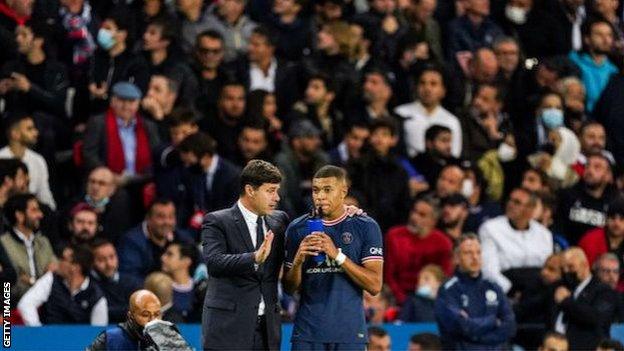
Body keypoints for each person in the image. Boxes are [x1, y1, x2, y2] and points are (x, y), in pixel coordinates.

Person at [283, 165, 383, 351]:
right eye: (315, 190)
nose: (320, 196)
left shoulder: (365, 226)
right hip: (307, 333)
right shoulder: (297, 229)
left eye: (327, 190)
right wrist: (298, 261)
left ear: (343, 192)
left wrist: (337, 255)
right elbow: (289, 289)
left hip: (349, 334)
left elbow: (374, 285)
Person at [201, 160, 289, 351]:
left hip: (268, 332)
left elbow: (306, 225)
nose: (277, 197)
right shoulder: (217, 221)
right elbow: (214, 263)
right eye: (270, 190)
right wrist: (254, 258)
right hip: (228, 330)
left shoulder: (279, 220)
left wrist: (347, 212)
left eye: (277, 190)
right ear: (250, 190)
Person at [434, 234, 516, 350]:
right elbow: (462, 327)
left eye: (478, 252)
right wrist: (493, 321)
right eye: (468, 253)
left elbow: (510, 327)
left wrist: (476, 331)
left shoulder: (494, 287)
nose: (475, 257)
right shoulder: (448, 290)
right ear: (457, 258)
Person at [479, 187, 553, 294]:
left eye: (517, 202)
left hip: (537, 293)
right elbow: (489, 271)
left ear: (531, 209)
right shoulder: (490, 229)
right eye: (510, 200)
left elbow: (548, 270)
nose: (510, 204)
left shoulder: (544, 234)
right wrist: (512, 291)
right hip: (505, 292)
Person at [17, 244, 108, 326]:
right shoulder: (51, 279)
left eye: (63, 259)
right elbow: (26, 304)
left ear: (75, 267)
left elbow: (98, 333)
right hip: (49, 340)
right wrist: (38, 331)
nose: (58, 262)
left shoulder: (96, 296)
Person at [384, 196, 453, 304]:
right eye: (414, 211)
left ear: (433, 221)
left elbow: (444, 278)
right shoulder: (394, 236)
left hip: (430, 300)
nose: (414, 217)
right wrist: (404, 301)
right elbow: (388, 275)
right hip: (395, 298)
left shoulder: (443, 243)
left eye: (422, 215)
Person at [550, 247, 619, 350]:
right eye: (563, 268)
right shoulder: (560, 287)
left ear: (585, 265)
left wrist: (566, 301)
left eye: (571, 266)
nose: (566, 271)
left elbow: (595, 317)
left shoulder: (603, 290)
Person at [117, 199, 193, 281]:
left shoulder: (181, 237)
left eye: (171, 217)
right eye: (161, 217)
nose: (167, 222)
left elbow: (197, 258)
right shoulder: (130, 242)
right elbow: (129, 279)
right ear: (148, 218)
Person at [0, 193, 57, 303]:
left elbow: (54, 271)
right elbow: (9, 283)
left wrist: (30, 281)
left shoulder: (43, 242)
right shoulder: (3, 244)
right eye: (34, 210)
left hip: (45, 305)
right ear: (19, 215)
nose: (40, 215)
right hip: (12, 306)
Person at [395, 67, 462, 158]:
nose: (427, 88)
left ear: (443, 91)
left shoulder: (452, 121)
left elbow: (455, 153)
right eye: (422, 83)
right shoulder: (401, 113)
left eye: (433, 84)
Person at [88, 289, 188, 350]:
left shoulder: (169, 339)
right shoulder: (110, 339)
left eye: (157, 314)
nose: (152, 320)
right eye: (145, 315)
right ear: (131, 316)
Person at [556, 152, 616, 245]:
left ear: (608, 176)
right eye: (587, 166)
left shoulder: (615, 203)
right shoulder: (567, 196)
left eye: (597, 167)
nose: (590, 170)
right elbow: (558, 229)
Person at [0, 113, 56, 209]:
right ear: (15, 134)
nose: (36, 133)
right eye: (29, 129)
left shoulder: (38, 160)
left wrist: (52, 213)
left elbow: (44, 195)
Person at [91, 238, 142, 323]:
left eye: (112, 257)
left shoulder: (132, 283)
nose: (109, 264)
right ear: (92, 262)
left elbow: (138, 312)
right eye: (101, 260)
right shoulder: (88, 285)